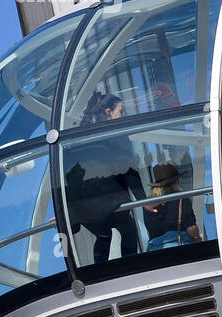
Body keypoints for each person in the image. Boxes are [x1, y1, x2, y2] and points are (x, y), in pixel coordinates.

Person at [64, 90, 146, 264]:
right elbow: (128, 170)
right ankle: (131, 269)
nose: (123, 115)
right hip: (106, 200)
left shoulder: (78, 137)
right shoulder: (116, 135)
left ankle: (99, 273)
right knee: (129, 232)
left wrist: (65, 209)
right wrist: (144, 201)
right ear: (108, 112)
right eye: (120, 111)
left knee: (104, 235)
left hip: (83, 207)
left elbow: (67, 176)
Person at [144, 162, 202, 249]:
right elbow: (191, 228)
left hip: (154, 250)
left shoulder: (147, 204)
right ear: (176, 181)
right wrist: (197, 239)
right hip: (178, 246)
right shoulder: (180, 198)